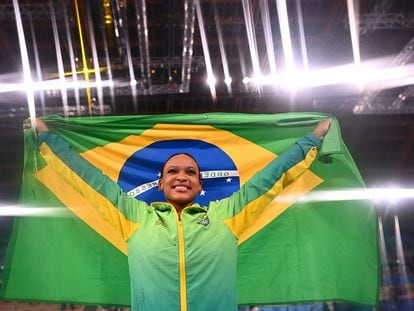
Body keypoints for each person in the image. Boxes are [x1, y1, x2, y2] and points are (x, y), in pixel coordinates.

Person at [31, 117, 331, 311]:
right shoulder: (134, 217)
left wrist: (313, 139)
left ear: (200, 184)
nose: (181, 176)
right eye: (172, 171)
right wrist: (46, 138)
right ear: (160, 183)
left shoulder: (226, 215)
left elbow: (270, 178)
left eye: (191, 172)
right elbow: (89, 179)